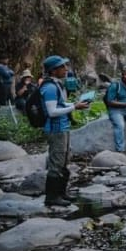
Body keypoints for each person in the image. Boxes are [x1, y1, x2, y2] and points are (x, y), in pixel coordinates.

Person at [40, 56, 91, 207]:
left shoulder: (57, 84)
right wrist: (75, 107)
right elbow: (52, 111)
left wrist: (74, 104)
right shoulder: (49, 87)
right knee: (56, 162)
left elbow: (60, 104)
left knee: (63, 160)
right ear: (54, 70)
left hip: (63, 127)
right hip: (55, 129)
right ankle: (51, 197)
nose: (66, 69)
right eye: (63, 67)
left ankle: (61, 193)